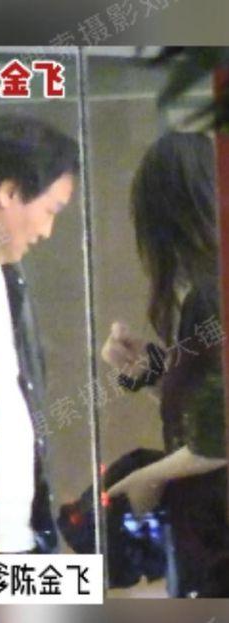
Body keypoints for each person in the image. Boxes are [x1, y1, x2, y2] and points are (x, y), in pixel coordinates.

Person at [101, 131, 228, 596]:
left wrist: (146, 479)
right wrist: (154, 376)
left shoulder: (210, 298)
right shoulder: (209, 294)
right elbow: (209, 413)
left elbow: (218, 436)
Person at [0, 114, 80, 553]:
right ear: (9, 192)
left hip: (23, 535)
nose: (46, 230)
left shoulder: (11, 278)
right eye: (50, 210)